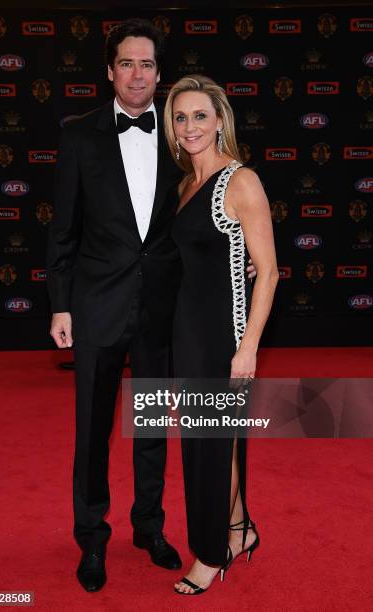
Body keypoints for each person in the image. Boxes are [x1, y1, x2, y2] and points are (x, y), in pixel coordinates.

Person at [47, 18, 256, 593]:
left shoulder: (180, 140)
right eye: (126, 63)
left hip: (164, 310)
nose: (137, 73)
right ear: (109, 70)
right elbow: (62, 230)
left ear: (159, 74)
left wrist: (246, 260)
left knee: (151, 428)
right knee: (92, 430)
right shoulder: (79, 136)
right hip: (96, 306)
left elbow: (208, 224)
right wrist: (60, 305)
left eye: (147, 64)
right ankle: (92, 538)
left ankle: (149, 528)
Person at [163, 74, 278, 595]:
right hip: (185, 332)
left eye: (200, 116)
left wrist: (248, 347)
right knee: (214, 444)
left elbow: (268, 271)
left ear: (220, 121)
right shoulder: (184, 183)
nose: (190, 126)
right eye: (182, 117)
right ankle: (240, 530)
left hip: (224, 339)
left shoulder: (241, 181)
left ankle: (211, 555)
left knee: (208, 448)